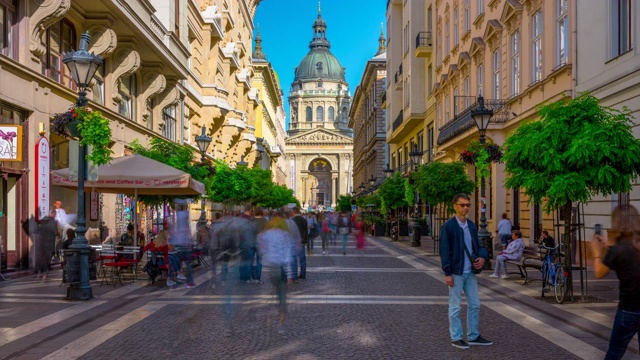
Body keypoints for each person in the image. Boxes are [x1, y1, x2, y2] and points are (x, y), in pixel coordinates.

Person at [439, 193, 492, 349]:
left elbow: (479, 247)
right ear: (455, 206)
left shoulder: (471, 225)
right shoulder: (448, 226)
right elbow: (444, 250)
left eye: (468, 205)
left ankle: (473, 336)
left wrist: (482, 257)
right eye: (462, 205)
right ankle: (456, 337)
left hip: (470, 272)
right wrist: (447, 273)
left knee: (475, 304)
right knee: (455, 306)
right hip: (456, 271)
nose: (466, 208)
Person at [591, 204, 640, 360]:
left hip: (628, 309)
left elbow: (599, 272)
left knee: (614, 353)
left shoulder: (617, 250)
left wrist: (597, 252)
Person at [257, 214, 295, 335]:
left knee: (278, 291)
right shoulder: (285, 235)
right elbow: (288, 254)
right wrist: (290, 274)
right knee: (282, 296)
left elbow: (262, 250)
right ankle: (281, 324)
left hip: (272, 269)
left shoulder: (267, 234)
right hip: (281, 268)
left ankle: (277, 305)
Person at [35, 209, 58, 282]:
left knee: (40, 257)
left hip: (41, 242)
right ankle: (44, 275)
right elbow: (54, 232)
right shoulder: (53, 221)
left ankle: (39, 273)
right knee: (46, 259)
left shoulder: (43, 220)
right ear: (53, 214)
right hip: (49, 243)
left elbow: (37, 230)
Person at [290, 207, 307, 280]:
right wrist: (305, 241)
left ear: (293, 212)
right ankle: (303, 274)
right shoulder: (304, 220)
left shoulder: (292, 220)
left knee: (294, 259)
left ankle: (294, 276)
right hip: (301, 241)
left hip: (294, 241)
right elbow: (306, 231)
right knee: (302, 259)